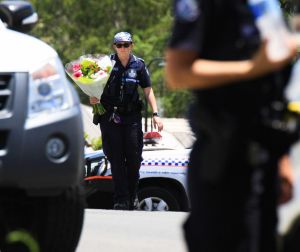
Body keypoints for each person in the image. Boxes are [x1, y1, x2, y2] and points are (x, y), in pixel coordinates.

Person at [165, 1, 298, 252]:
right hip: (225, 160)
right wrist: (250, 68)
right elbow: (177, 72)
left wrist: (282, 161)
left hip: (266, 157)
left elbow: (271, 80)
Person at [90, 31, 163, 210]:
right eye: (119, 45)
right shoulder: (105, 64)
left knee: (133, 158)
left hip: (131, 117)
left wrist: (155, 113)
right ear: (114, 47)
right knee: (116, 158)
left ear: (132, 46)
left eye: (126, 45)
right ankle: (120, 199)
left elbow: (147, 89)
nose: (123, 48)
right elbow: (93, 86)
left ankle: (132, 195)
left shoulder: (138, 65)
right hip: (110, 116)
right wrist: (92, 97)